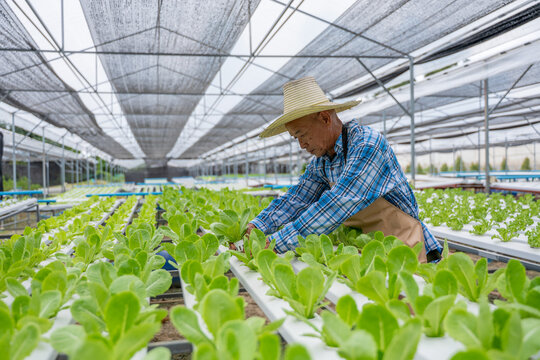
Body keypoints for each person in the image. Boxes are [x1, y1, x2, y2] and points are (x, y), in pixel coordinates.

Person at [246, 76, 441, 263]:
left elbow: (339, 202)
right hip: (369, 252)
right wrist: (258, 225)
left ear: (324, 118)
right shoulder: (322, 162)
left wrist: (275, 242)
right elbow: (297, 198)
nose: (301, 145)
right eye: (295, 138)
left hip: (406, 250)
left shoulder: (366, 144)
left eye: (302, 134)